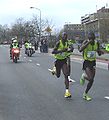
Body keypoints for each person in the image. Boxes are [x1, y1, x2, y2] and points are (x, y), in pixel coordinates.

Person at [79, 31, 104, 101]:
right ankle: (83, 76)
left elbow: (99, 53)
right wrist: (88, 43)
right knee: (90, 79)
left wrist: (100, 52)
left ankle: (85, 94)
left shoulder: (96, 43)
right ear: (88, 38)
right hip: (87, 62)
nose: (92, 40)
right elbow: (80, 50)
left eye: (93, 39)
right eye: (90, 39)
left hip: (93, 62)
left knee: (92, 80)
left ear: (94, 38)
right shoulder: (85, 42)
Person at [50, 32, 74, 98]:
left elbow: (71, 49)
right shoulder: (58, 43)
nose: (65, 38)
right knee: (58, 75)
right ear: (62, 37)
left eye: (66, 36)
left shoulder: (67, 43)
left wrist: (71, 49)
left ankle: (67, 92)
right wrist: (62, 50)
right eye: (64, 36)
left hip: (63, 61)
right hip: (58, 61)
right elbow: (53, 52)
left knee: (66, 75)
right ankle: (54, 70)